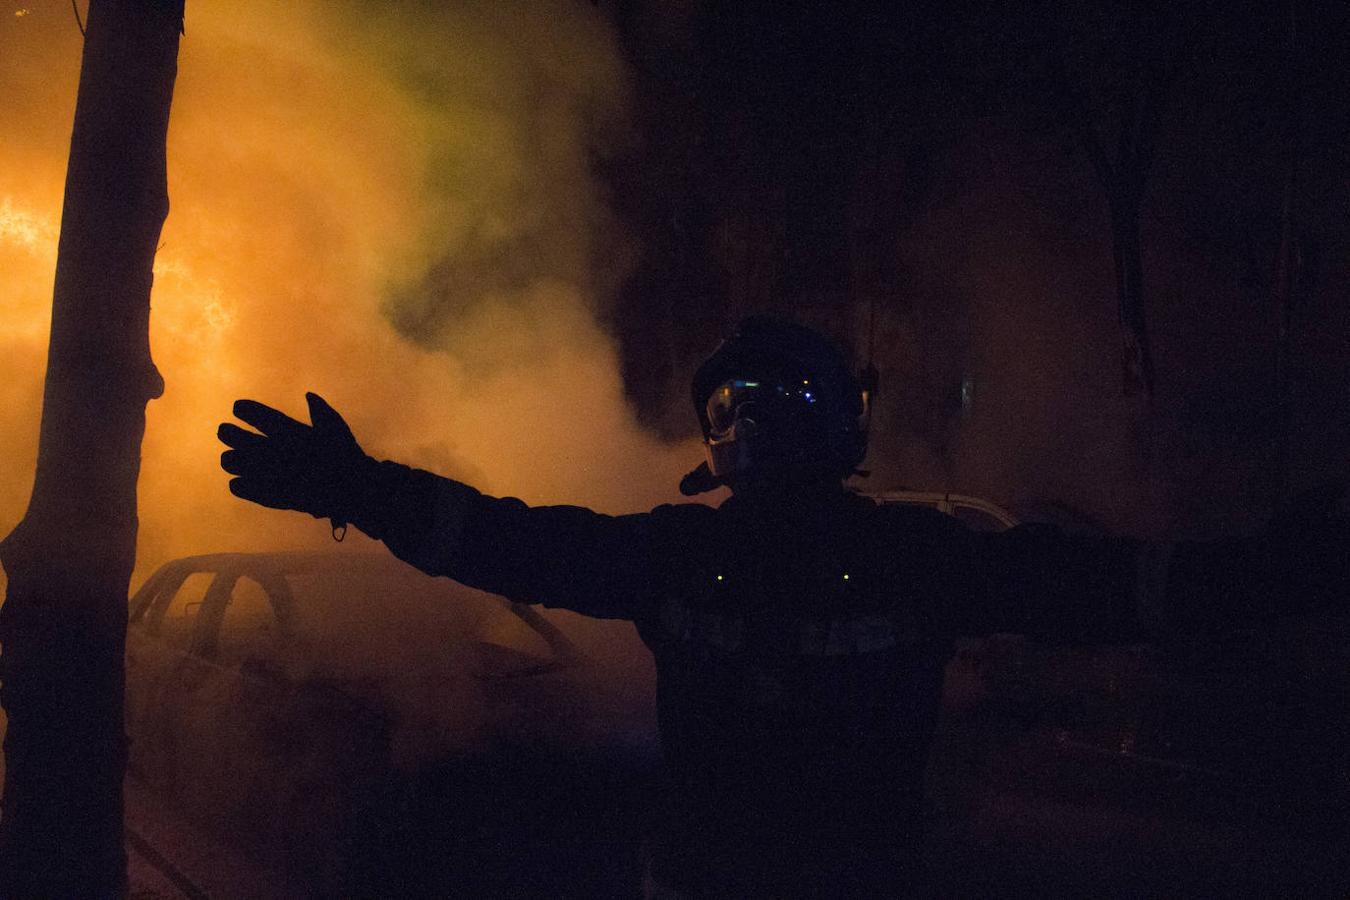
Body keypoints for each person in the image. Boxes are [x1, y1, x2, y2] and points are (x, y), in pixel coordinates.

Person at [218, 315, 1348, 898]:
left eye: (777, 398)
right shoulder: (681, 553)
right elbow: (506, 538)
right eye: (730, 402)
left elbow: (1106, 589)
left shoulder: (917, 555)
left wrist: (1269, 571)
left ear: (835, 424)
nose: (750, 420)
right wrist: (361, 490)